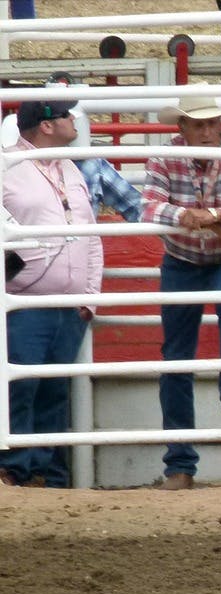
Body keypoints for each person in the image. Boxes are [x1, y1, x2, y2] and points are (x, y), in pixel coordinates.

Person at [141, 90, 221, 491]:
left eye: (214, 122)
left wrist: (215, 216)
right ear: (182, 127)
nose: (209, 130)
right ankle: (180, 463)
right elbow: (149, 206)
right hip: (187, 257)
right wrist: (192, 216)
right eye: (200, 124)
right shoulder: (166, 155)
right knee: (176, 357)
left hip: (220, 253)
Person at [0, 99, 103, 488]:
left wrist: (89, 296)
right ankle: (18, 467)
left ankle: (40, 471)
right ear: (46, 126)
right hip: (24, 301)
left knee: (52, 387)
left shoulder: (69, 168)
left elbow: (92, 235)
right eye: (65, 115)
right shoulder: (7, 166)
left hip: (65, 301)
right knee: (23, 384)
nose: (73, 120)